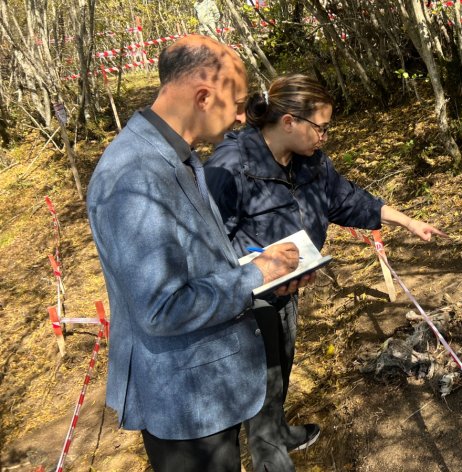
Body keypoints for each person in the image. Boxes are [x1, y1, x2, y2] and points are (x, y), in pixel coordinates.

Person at [87, 35, 310, 471]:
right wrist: (255, 276)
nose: (243, 117)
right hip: (186, 403)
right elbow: (161, 308)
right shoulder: (135, 176)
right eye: (239, 104)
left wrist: (268, 272)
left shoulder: (175, 155)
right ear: (204, 97)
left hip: (209, 385)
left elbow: (197, 259)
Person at [204, 74, 446, 470]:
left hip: (287, 289)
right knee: (261, 381)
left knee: (281, 367)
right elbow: (207, 243)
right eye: (321, 127)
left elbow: (346, 199)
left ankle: (278, 430)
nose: (325, 137)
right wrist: (257, 269)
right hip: (245, 301)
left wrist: (408, 222)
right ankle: (270, 456)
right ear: (289, 122)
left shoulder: (309, 162)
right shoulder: (230, 168)